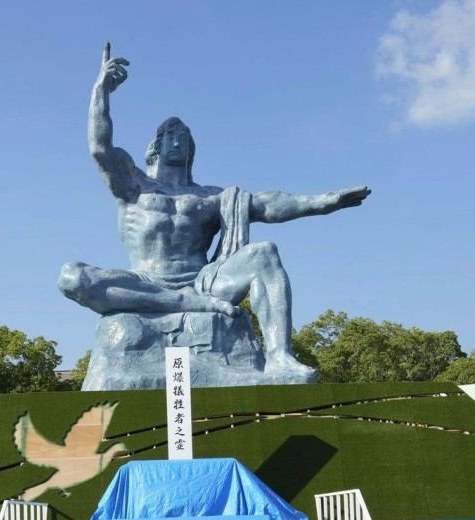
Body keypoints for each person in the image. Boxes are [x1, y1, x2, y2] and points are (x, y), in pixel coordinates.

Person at [58, 45, 371, 382]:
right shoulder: (134, 185)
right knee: (73, 277)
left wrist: (325, 201)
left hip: (203, 283)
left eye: (184, 137)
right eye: (170, 135)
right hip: (145, 282)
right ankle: (180, 304)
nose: (178, 141)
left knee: (264, 254)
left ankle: (280, 357)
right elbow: (99, 148)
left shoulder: (212, 197)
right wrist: (100, 90)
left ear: (192, 149)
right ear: (156, 146)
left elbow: (269, 204)